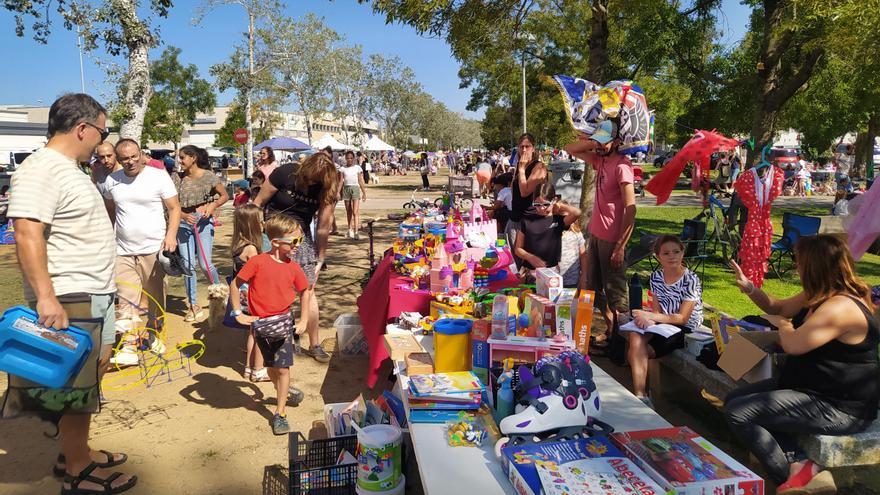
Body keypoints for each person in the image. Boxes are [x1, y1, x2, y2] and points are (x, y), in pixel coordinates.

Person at [6, 93, 136, 493]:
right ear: (83, 129)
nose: (103, 140)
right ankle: (77, 470)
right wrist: (47, 298)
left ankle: (75, 449)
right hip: (69, 294)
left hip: (92, 290)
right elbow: (26, 232)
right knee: (76, 383)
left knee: (89, 376)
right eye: (103, 130)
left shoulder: (68, 169)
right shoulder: (41, 169)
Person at [724, 235, 878, 493]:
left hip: (840, 406)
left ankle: (796, 478)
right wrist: (750, 288)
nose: (797, 266)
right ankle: (798, 462)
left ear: (814, 265)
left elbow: (793, 343)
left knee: (740, 412)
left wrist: (784, 327)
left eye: (800, 261)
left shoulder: (840, 306)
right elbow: (779, 307)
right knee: (733, 400)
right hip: (810, 388)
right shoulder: (820, 293)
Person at [253, 151, 341, 363]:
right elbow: (257, 204)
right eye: (308, 177)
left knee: (307, 289)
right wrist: (254, 237)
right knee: (270, 289)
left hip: (300, 240)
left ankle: (314, 343)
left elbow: (323, 227)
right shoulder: (285, 172)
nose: (310, 182)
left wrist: (320, 259)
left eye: (315, 180)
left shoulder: (328, 186)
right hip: (271, 234)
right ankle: (272, 340)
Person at [102, 138, 181, 366]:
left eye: (134, 156)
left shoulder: (157, 176)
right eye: (125, 158)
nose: (130, 162)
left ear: (141, 154)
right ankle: (129, 344)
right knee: (126, 298)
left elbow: (174, 208)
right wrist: (109, 237)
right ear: (118, 159)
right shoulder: (112, 181)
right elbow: (110, 210)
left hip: (153, 248)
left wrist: (171, 236)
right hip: (123, 250)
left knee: (155, 296)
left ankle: (154, 333)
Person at [229, 215, 308, 435]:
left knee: (282, 368)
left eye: (299, 241)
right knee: (272, 367)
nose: (297, 247)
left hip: (283, 324)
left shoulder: (293, 267)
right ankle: (283, 389)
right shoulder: (257, 262)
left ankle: (280, 412)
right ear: (275, 242)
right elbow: (235, 285)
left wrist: (304, 320)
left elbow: (305, 291)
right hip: (261, 326)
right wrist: (238, 313)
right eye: (294, 242)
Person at [564, 120, 636, 354]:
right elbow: (570, 149)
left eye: (605, 142)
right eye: (600, 142)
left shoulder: (622, 166)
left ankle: (622, 348)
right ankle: (610, 331)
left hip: (612, 239)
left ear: (617, 142)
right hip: (595, 234)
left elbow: (631, 208)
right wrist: (592, 140)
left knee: (617, 297)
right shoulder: (600, 160)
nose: (601, 147)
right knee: (591, 289)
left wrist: (620, 246)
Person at [626, 235, 703, 407]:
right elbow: (656, 310)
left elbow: (683, 319)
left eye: (676, 252)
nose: (672, 256)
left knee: (638, 351)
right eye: (666, 253)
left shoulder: (691, 280)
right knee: (635, 335)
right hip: (663, 323)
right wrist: (647, 321)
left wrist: (651, 317)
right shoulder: (656, 277)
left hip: (684, 327)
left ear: (683, 253)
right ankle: (641, 395)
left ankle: (643, 396)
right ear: (658, 256)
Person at [173, 144, 229, 322]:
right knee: (188, 266)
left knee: (205, 264)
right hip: (183, 223)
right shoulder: (176, 177)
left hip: (203, 222)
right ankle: (192, 305)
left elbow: (224, 196)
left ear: (193, 158)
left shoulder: (208, 177)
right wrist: (182, 215)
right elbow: (170, 203)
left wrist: (212, 205)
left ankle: (219, 294)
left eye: (182, 157)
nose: (179, 161)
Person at [230, 203, 271, 383]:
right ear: (253, 224)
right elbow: (259, 272)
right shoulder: (251, 249)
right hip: (254, 294)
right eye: (260, 221)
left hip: (244, 294)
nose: (263, 224)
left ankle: (248, 367)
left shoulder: (238, 244)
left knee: (252, 332)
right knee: (260, 332)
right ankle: (259, 369)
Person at [514, 182, 581, 277]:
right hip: (530, 272)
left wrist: (561, 206)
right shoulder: (526, 220)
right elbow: (517, 249)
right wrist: (530, 257)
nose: (541, 208)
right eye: (537, 204)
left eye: (546, 204)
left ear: (554, 200)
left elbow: (577, 213)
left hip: (552, 272)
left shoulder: (558, 220)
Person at [506, 133, 548, 266]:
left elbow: (525, 192)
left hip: (530, 223)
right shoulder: (520, 165)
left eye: (527, 146)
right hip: (515, 220)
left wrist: (522, 170)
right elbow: (514, 190)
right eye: (521, 146)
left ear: (533, 148)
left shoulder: (539, 167)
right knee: (514, 265)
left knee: (528, 267)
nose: (524, 150)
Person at [558, 203, 587, 289]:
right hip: (554, 280)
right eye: (563, 217)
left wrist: (584, 276)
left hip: (572, 280)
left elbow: (583, 256)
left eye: (569, 217)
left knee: (571, 302)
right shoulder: (553, 232)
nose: (567, 220)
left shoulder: (577, 234)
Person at [340, 150, 367, 239]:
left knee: (355, 211)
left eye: (351, 158)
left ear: (354, 158)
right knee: (349, 211)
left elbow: (360, 180)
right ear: (345, 159)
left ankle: (356, 231)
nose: (349, 160)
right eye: (348, 158)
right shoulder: (343, 169)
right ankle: (350, 229)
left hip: (355, 188)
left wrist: (364, 192)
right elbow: (341, 181)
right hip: (346, 189)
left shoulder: (357, 168)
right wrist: (338, 192)